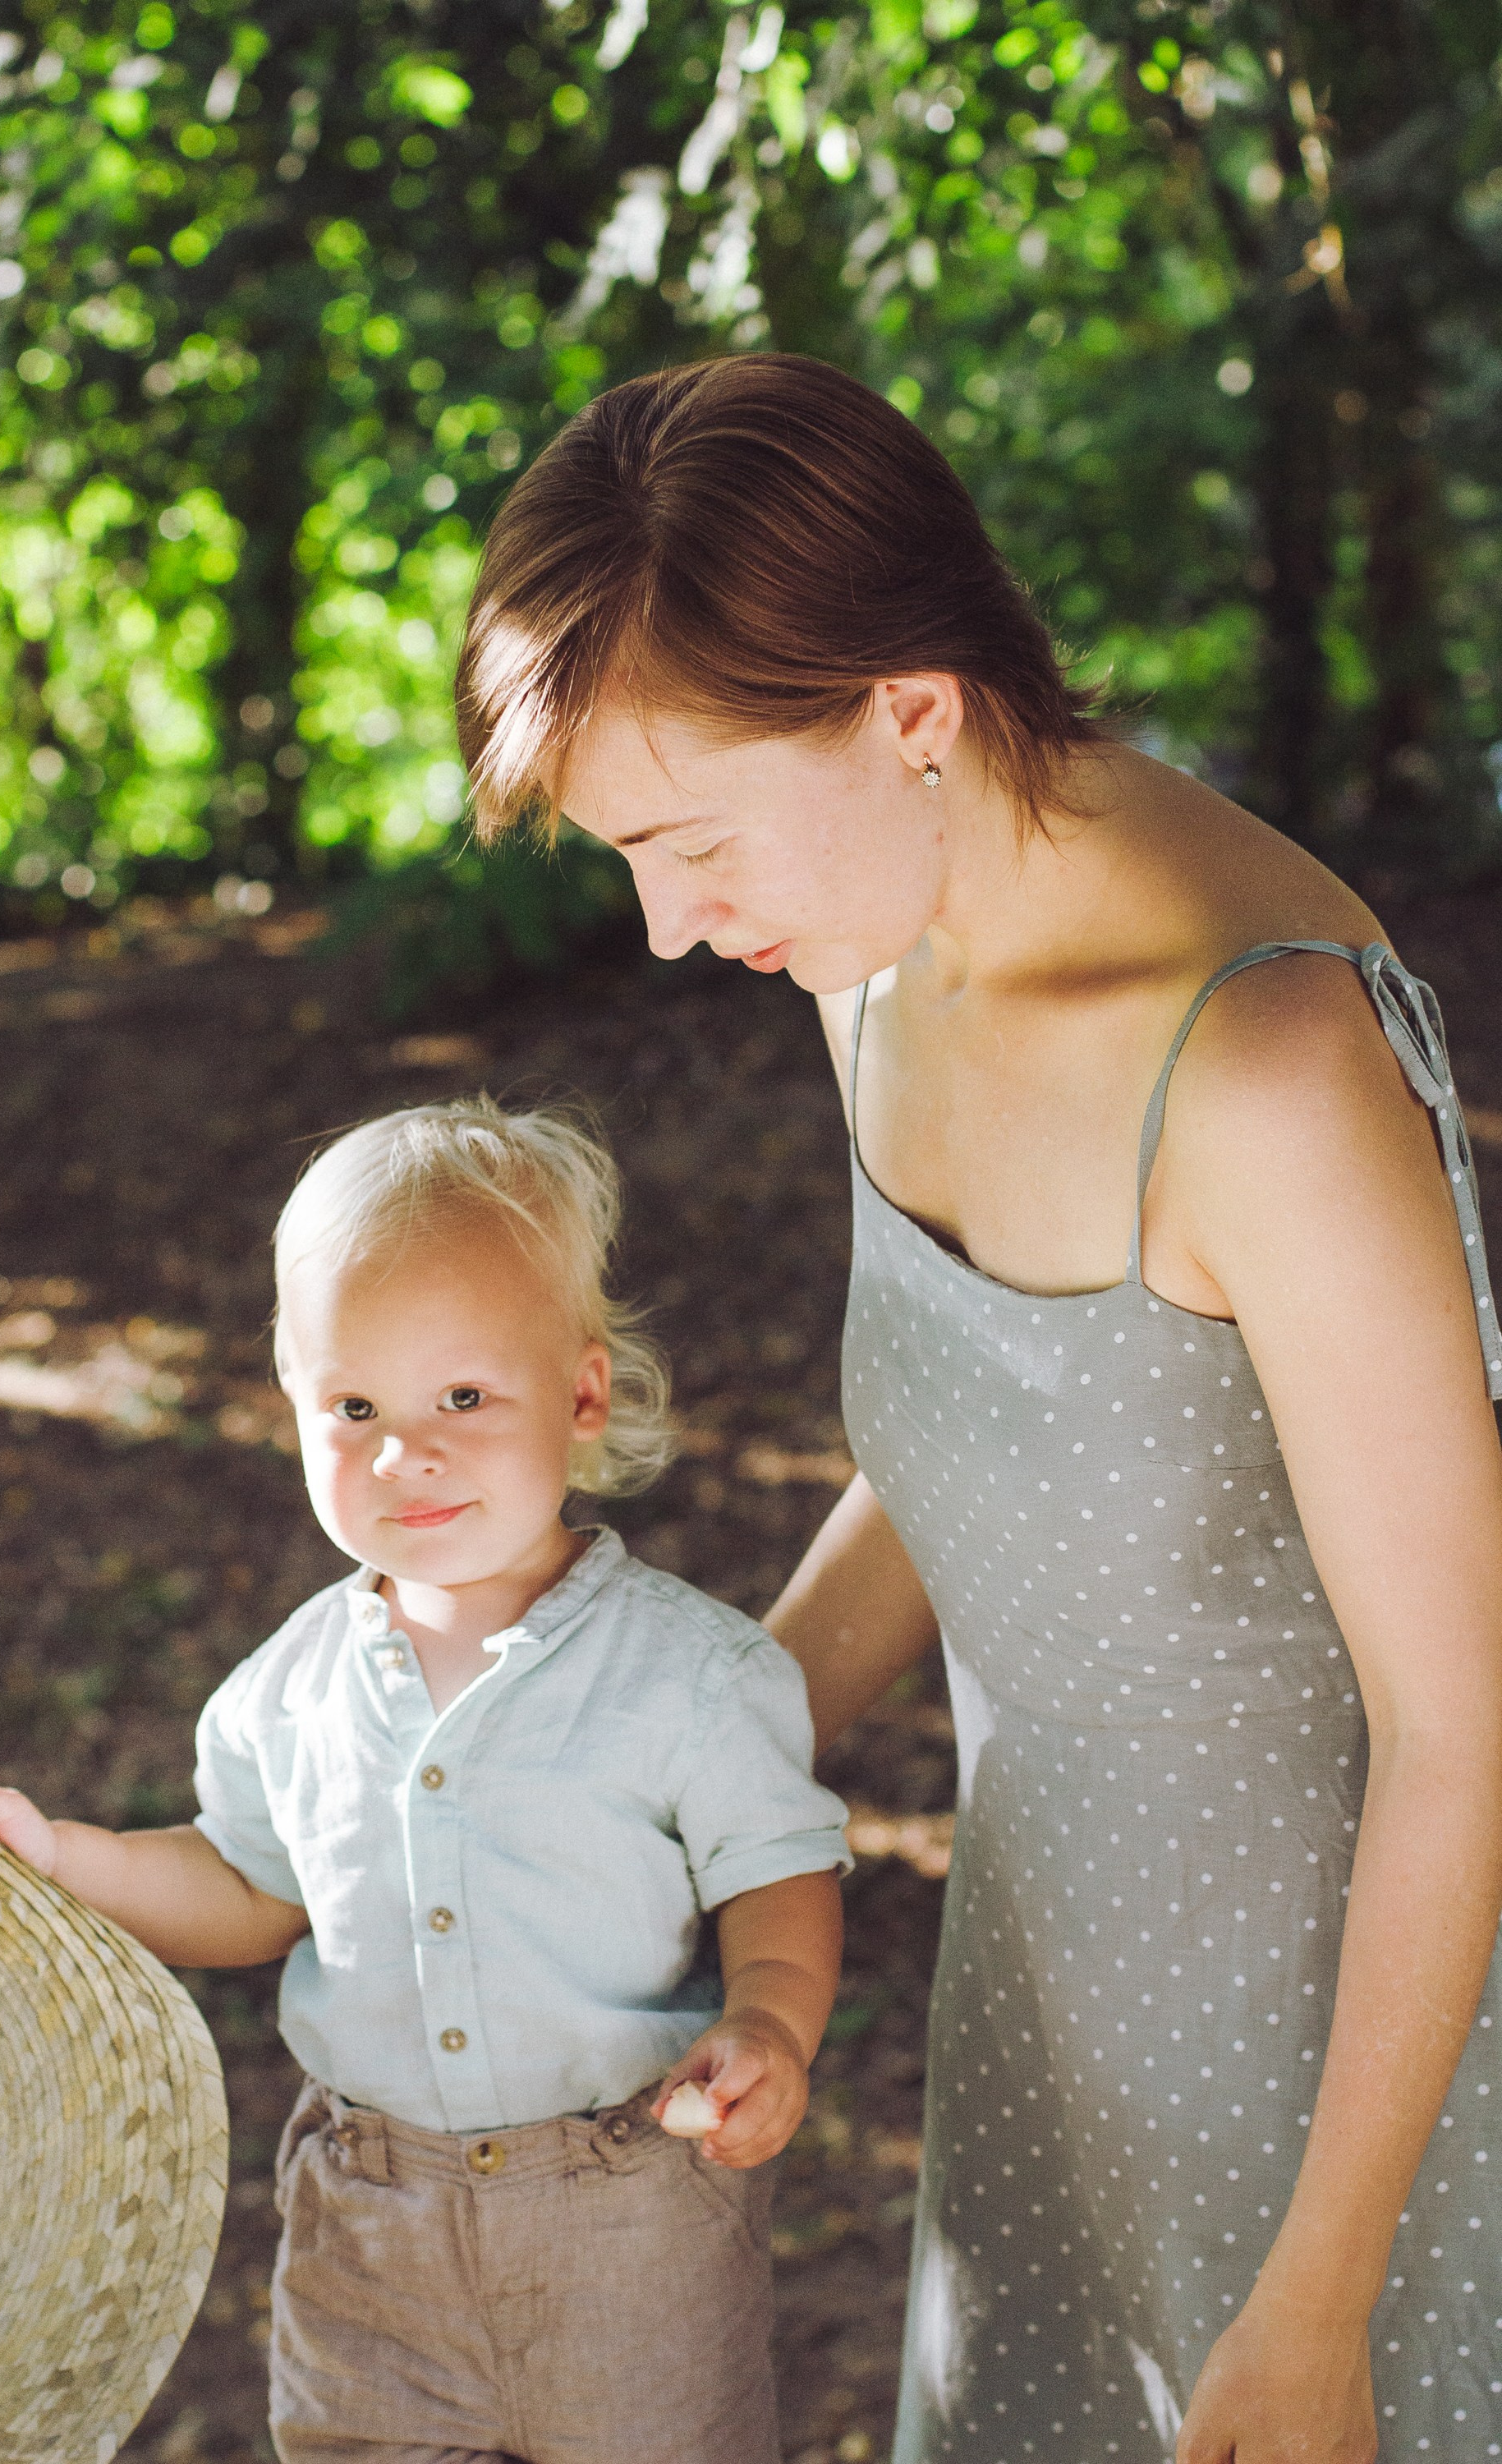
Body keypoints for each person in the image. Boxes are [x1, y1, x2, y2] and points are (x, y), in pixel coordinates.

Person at [453, 352, 1502, 2463]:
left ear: (908, 713)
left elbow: (1465, 1723)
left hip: (1363, 2091)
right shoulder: (874, 949)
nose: (666, 928)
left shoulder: (1267, 1072)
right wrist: (657, 1771)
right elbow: (977, 1449)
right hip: (1049, 2014)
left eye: (684, 842)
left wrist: (1321, 2297)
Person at [0, 1096, 851, 2464]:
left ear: (584, 1394)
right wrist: (71, 1857)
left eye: (464, 1398)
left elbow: (776, 1872)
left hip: (627, 2209)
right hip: (369, 2236)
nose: (402, 1452)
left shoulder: (687, 1676)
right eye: (353, 1404)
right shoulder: (290, 1687)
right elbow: (248, 1887)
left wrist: (774, 2024)